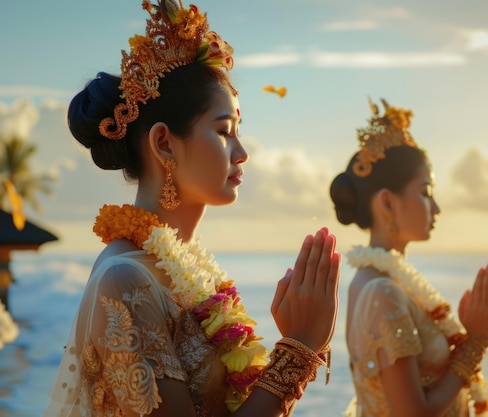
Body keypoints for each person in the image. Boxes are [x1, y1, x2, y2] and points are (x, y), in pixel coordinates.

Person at [44, 1, 340, 416]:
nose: (242, 153)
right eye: (223, 132)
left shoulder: (190, 276)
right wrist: (299, 349)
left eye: (239, 132)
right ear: (164, 143)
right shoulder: (125, 278)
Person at [329, 98, 488, 417]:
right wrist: (474, 344)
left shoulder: (385, 282)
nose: (435, 208)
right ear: (387, 203)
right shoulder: (382, 291)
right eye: (425, 192)